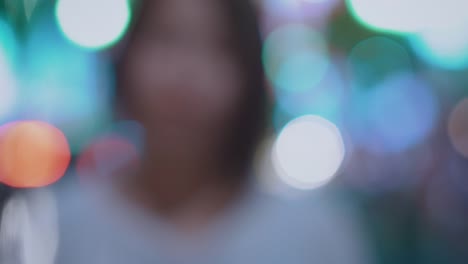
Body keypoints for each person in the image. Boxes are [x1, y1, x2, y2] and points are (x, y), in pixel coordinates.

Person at [0, 0, 374, 263]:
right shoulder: (53, 227)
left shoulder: (315, 236)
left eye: (219, 48)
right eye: (166, 39)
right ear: (126, 59)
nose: (186, 76)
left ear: (250, 80)